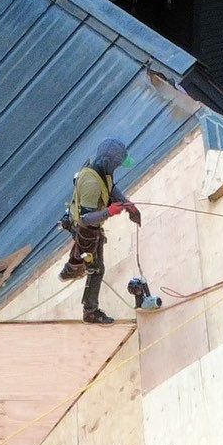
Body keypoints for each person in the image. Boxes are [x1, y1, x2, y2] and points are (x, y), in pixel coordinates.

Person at [57, 138, 142, 325]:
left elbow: (111, 188)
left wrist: (130, 206)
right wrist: (109, 212)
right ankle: (90, 312)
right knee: (96, 269)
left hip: (87, 224)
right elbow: (85, 219)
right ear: (108, 162)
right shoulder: (91, 183)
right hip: (86, 227)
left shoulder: (103, 169)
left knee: (85, 251)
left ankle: (71, 269)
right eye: (117, 164)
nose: (117, 168)